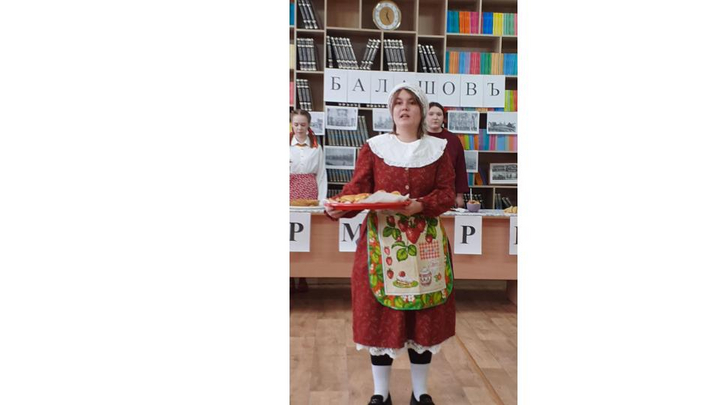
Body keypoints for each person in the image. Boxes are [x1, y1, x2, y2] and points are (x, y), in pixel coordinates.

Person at [325, 83, 456, 405]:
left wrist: (422, 205)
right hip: (381, 244)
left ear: (421, 110)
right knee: (380, 315)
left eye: (411, 102)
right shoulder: (374, 148)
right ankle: (380, 393)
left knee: (423, 315)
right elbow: (358, 190)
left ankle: (420, 392)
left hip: (425, 245)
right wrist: (338, 207)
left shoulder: (438, 150)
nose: (404, 107)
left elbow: (446, 194)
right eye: (398, 102)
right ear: (391, 110)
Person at [290, 109, 327, 293]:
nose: (299, 128)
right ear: (292, 125)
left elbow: (321, 174)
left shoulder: (315, 147)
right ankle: (289, 276)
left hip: (309, 192)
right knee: (290, 234)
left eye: (303, 124)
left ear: (309, 125)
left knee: (307, 234)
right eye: (296, 124)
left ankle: (303, 276)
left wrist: (321, 199)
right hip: (289, 192)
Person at [425, 102, 470, 208]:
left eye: (439, 114)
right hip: (423, 192)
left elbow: (460, 168)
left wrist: (459, 196)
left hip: (447, 192)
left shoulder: (453, 140)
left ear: (444, 119)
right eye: (431, 114)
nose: (435, 117)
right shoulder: (418, 138)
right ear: (424, 117)